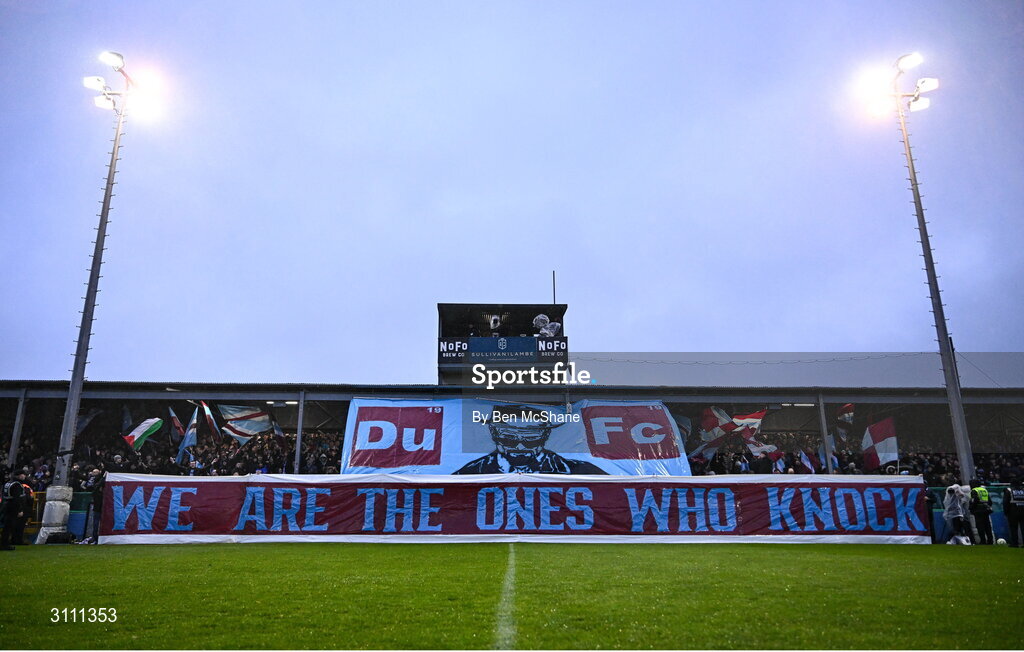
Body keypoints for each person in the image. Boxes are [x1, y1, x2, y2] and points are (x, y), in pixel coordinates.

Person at [454, 405, 607, 475]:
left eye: (530, 440)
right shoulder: (468, 473)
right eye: (509, 439)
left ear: (545, 437)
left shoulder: (583, 471)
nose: (520, 448)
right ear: (494, 433)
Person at [1, 471, 25, 550]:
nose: (24, 476)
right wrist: (19, 509)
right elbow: (16, 498)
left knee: (6, 526)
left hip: (6, 505)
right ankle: (4, 544)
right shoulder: (17, 484)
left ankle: (4, 543)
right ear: (19, 475)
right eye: (23, 474)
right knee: (9, 526)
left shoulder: (8, 483)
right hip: (13, 507)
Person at [969, 479, 994, 545]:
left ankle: (983, 541)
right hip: (986, 510)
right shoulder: (984, 490)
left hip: (978, 510)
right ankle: (990, 541)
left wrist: (971, 508)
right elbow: (990, 501)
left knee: (980, 526)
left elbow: (974, 500)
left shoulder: (974, 490)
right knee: (987, 526)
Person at [1003, 477, 1024, 548]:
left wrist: (1006, 512)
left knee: (1013, 528)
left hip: (1013, 511)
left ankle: (1014, 543)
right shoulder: (1023, 490)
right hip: (1023, 511)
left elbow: (1005, 502)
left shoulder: (1008, 490)